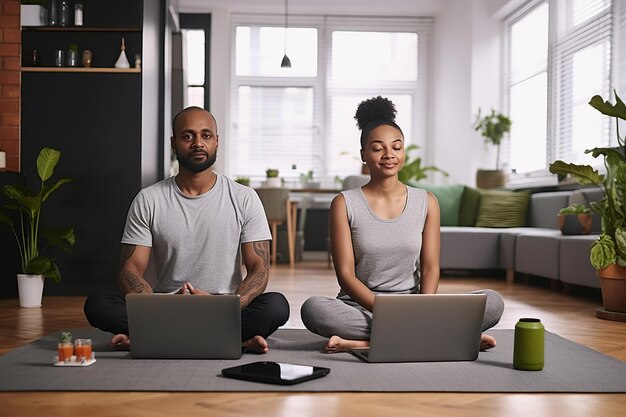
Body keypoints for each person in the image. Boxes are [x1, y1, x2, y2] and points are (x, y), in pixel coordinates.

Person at [300, 96, 504, 353]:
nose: (389, 155)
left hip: (416, 306)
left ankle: (365, 344)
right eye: (378, 148)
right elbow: (346, 275)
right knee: (313, 309)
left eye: (396, 147)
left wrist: (421, 310)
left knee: (493, 302)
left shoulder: (427, 201)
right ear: (364, 154)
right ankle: (445, 338)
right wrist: (390, 313)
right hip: (362, 308)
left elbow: (430, 267)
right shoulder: (344, 203)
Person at [84, 106, 290, 354]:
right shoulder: (148, 199)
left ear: (217, 142)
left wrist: (231, 305)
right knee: (97, 304)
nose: (198, 143)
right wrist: (153, 308)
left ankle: (155, 335)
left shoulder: (244, 198)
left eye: (206, 135)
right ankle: (232, 338)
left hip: (224, 306)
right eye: (188, 136)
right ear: (174, 143)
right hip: (164, 307)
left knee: (277, 306)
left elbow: (259, 268)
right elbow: (130, 268)